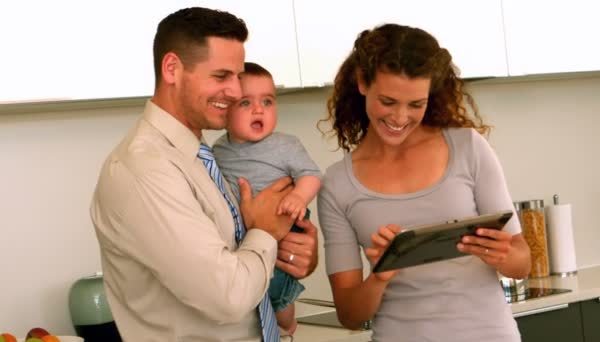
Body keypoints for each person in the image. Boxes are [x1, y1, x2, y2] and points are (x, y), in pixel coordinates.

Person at [89, 7, 318, 342]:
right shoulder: (144, 170)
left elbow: (243, 257)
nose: (237, 92)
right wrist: (267, 233)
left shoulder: (205, 157)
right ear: (172, 69)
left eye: (237, 77)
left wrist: (292, 255)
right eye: (221, 76)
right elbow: (228, 296)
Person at [317, 23, 531, 342]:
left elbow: (522, 262)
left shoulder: (469, 148)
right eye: (388, 101)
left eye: (416, 104)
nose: (400, 117)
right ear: (362, 82)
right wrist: (380, 274)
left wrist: (503, 255)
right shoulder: (337, 185)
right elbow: (349, 315)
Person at [213, 62, 323, 335]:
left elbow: (311, 175)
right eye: (245, 103)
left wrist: (298, 196)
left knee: (278, 282)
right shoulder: (218, 150)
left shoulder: (285, 145)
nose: (259, 109)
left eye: (268, 101)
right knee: (252, 281)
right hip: (244, 234)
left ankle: (286, 320)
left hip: (286, 221)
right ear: (224, 113)